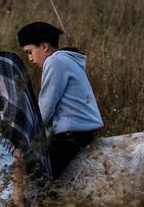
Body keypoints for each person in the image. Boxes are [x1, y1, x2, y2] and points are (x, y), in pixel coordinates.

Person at [17, 21, 103, 180]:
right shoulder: (67, 60)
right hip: (80, 131)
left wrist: (29, 134)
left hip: (71, 135)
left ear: (44, 46)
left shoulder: (54, 62)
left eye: (29, 51)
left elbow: (46, 107)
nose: (29, 58)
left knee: (40, 178)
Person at [0, 51, 51, 207]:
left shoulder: (13, 124)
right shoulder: (11, 118)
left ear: (1, 81)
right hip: (6, 196)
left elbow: (19, 159)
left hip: (10, 202)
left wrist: (17, 200)